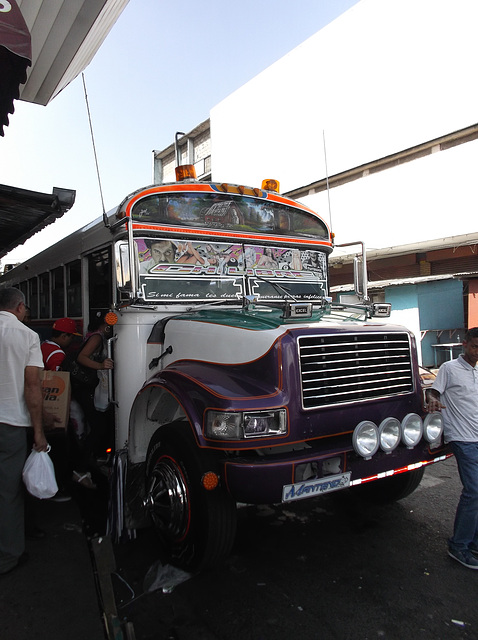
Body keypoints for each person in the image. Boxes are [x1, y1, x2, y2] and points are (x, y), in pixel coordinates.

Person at [0, 288, 48, 574]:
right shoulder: (27, 336)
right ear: (19, 307)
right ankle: (8, 556)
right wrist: (39, 432)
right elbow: (32, 387)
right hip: (11, 425)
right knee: (8, 493)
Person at [426, 327, 478, 570]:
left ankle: (473, 541)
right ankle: (458, 546)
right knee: (474, 491)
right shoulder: (450, 369)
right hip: (463, 438)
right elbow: (433, 392)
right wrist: (433, 401)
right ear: (464, 344)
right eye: (475, 346)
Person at [72, 311, 114, 470]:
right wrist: (101, 365)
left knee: (99, 424)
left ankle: (96, 456)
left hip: (88, 387)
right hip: (86, 387)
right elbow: (82, 357)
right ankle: (81, 466)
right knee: (98, 426)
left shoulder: (96, 336)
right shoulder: (97, 338)